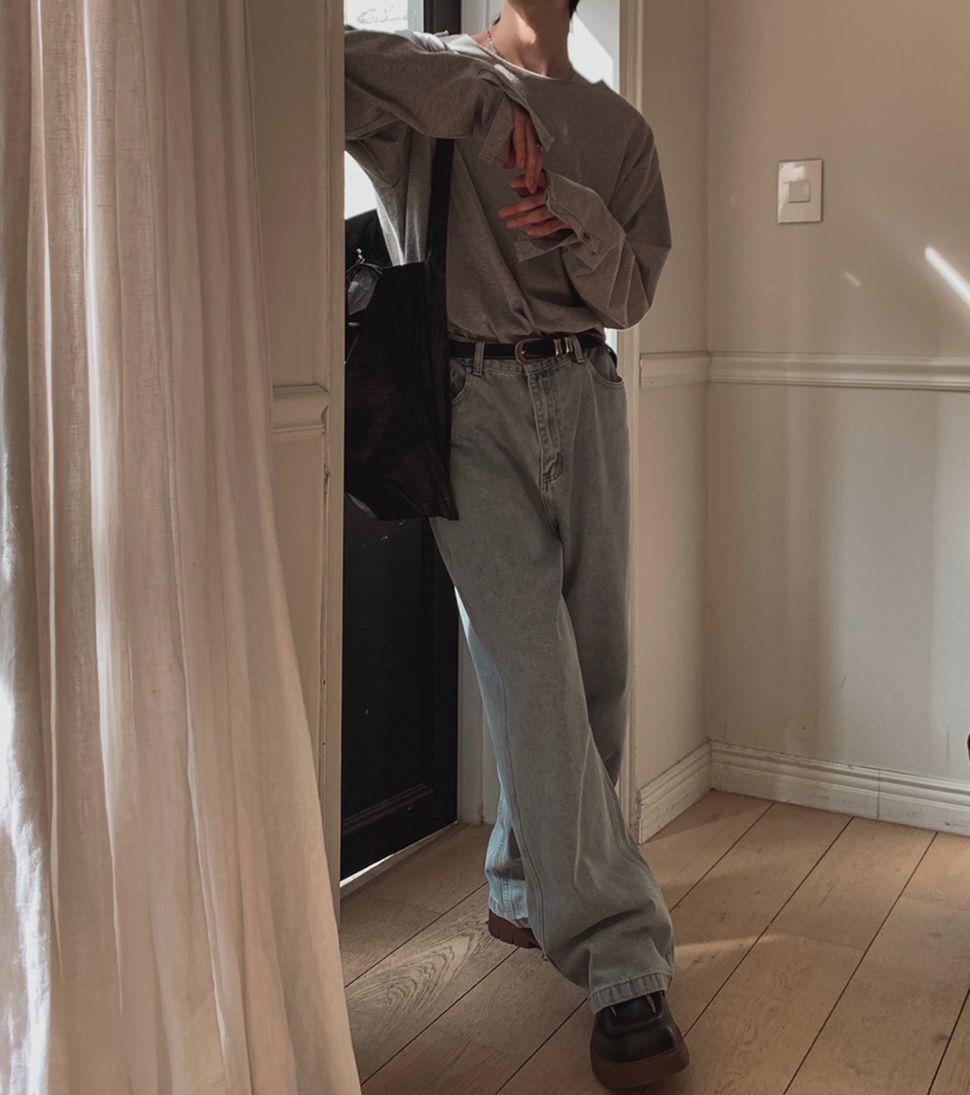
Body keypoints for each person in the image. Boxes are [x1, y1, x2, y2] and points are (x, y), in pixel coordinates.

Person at [344, 2, 688, 1086]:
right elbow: (316, 63)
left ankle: (518, 882)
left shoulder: (620, 129)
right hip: (467, 403)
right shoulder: (427, 80)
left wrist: (568, 206)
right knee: (533, 674)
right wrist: (489, 102)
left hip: (586, 391)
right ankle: (622, 958)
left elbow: (628, 291)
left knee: (597, 672)